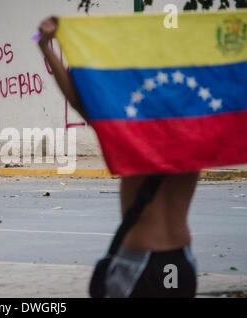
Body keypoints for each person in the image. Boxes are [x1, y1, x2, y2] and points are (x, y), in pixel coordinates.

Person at [38, 16, 199, 298]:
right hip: (181, 261)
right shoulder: (197, 134)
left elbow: (79, 102)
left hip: (139, 261)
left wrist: (46, 46)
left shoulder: (131, 136)